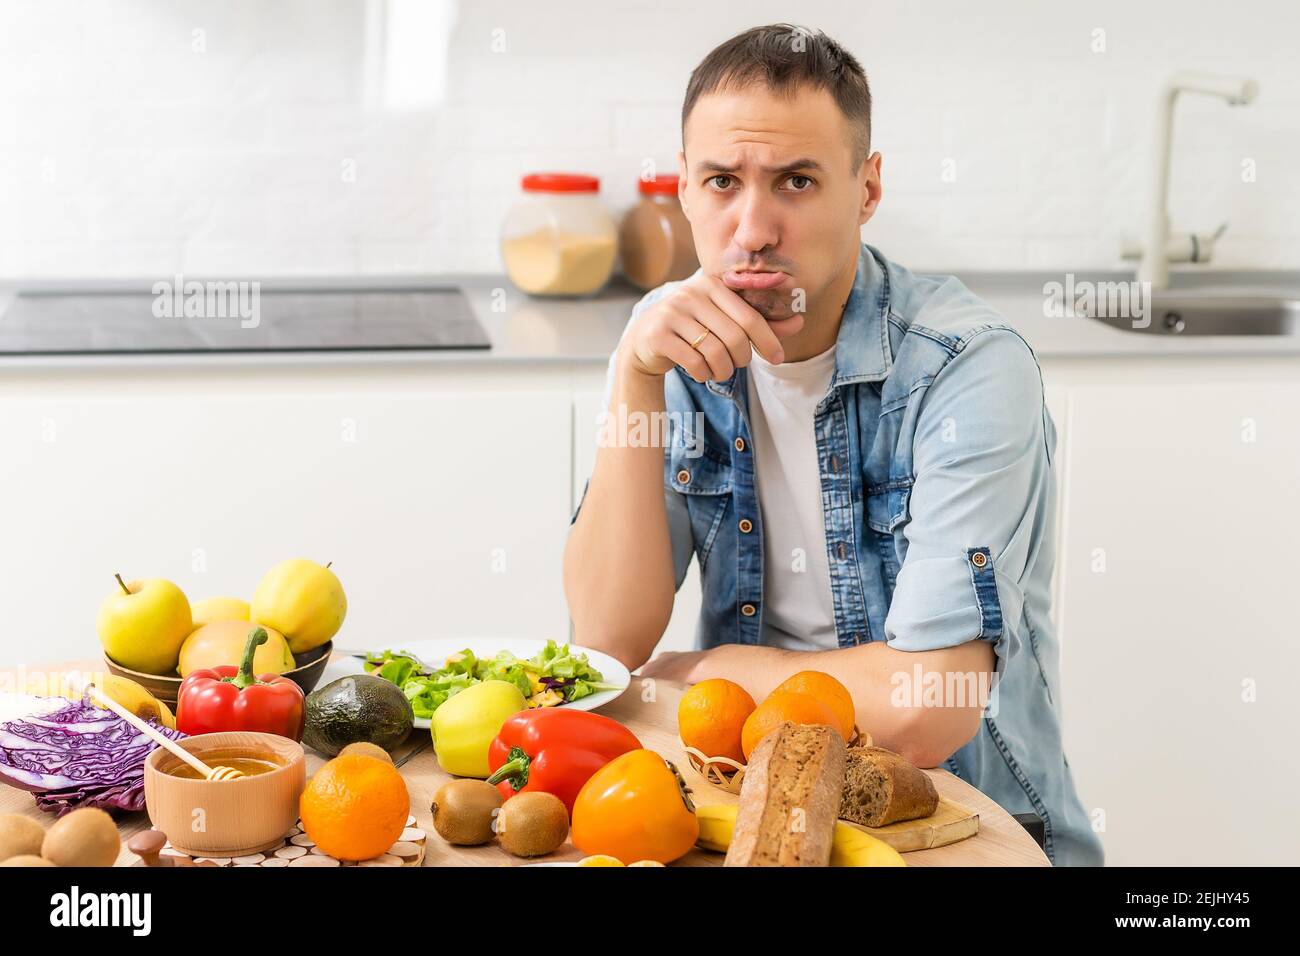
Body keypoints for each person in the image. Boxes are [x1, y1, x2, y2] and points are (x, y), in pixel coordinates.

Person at [564, 23, 1103, 866]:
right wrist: (633, 377)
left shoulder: (966, 370)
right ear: (684, 189)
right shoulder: (671, 348)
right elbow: (605, 640)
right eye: (721, 182)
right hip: (747, 809)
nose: (752, 228)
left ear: (868, 187)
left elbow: (928, 707)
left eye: (797, 181)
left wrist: (704, 670)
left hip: (954, 830)